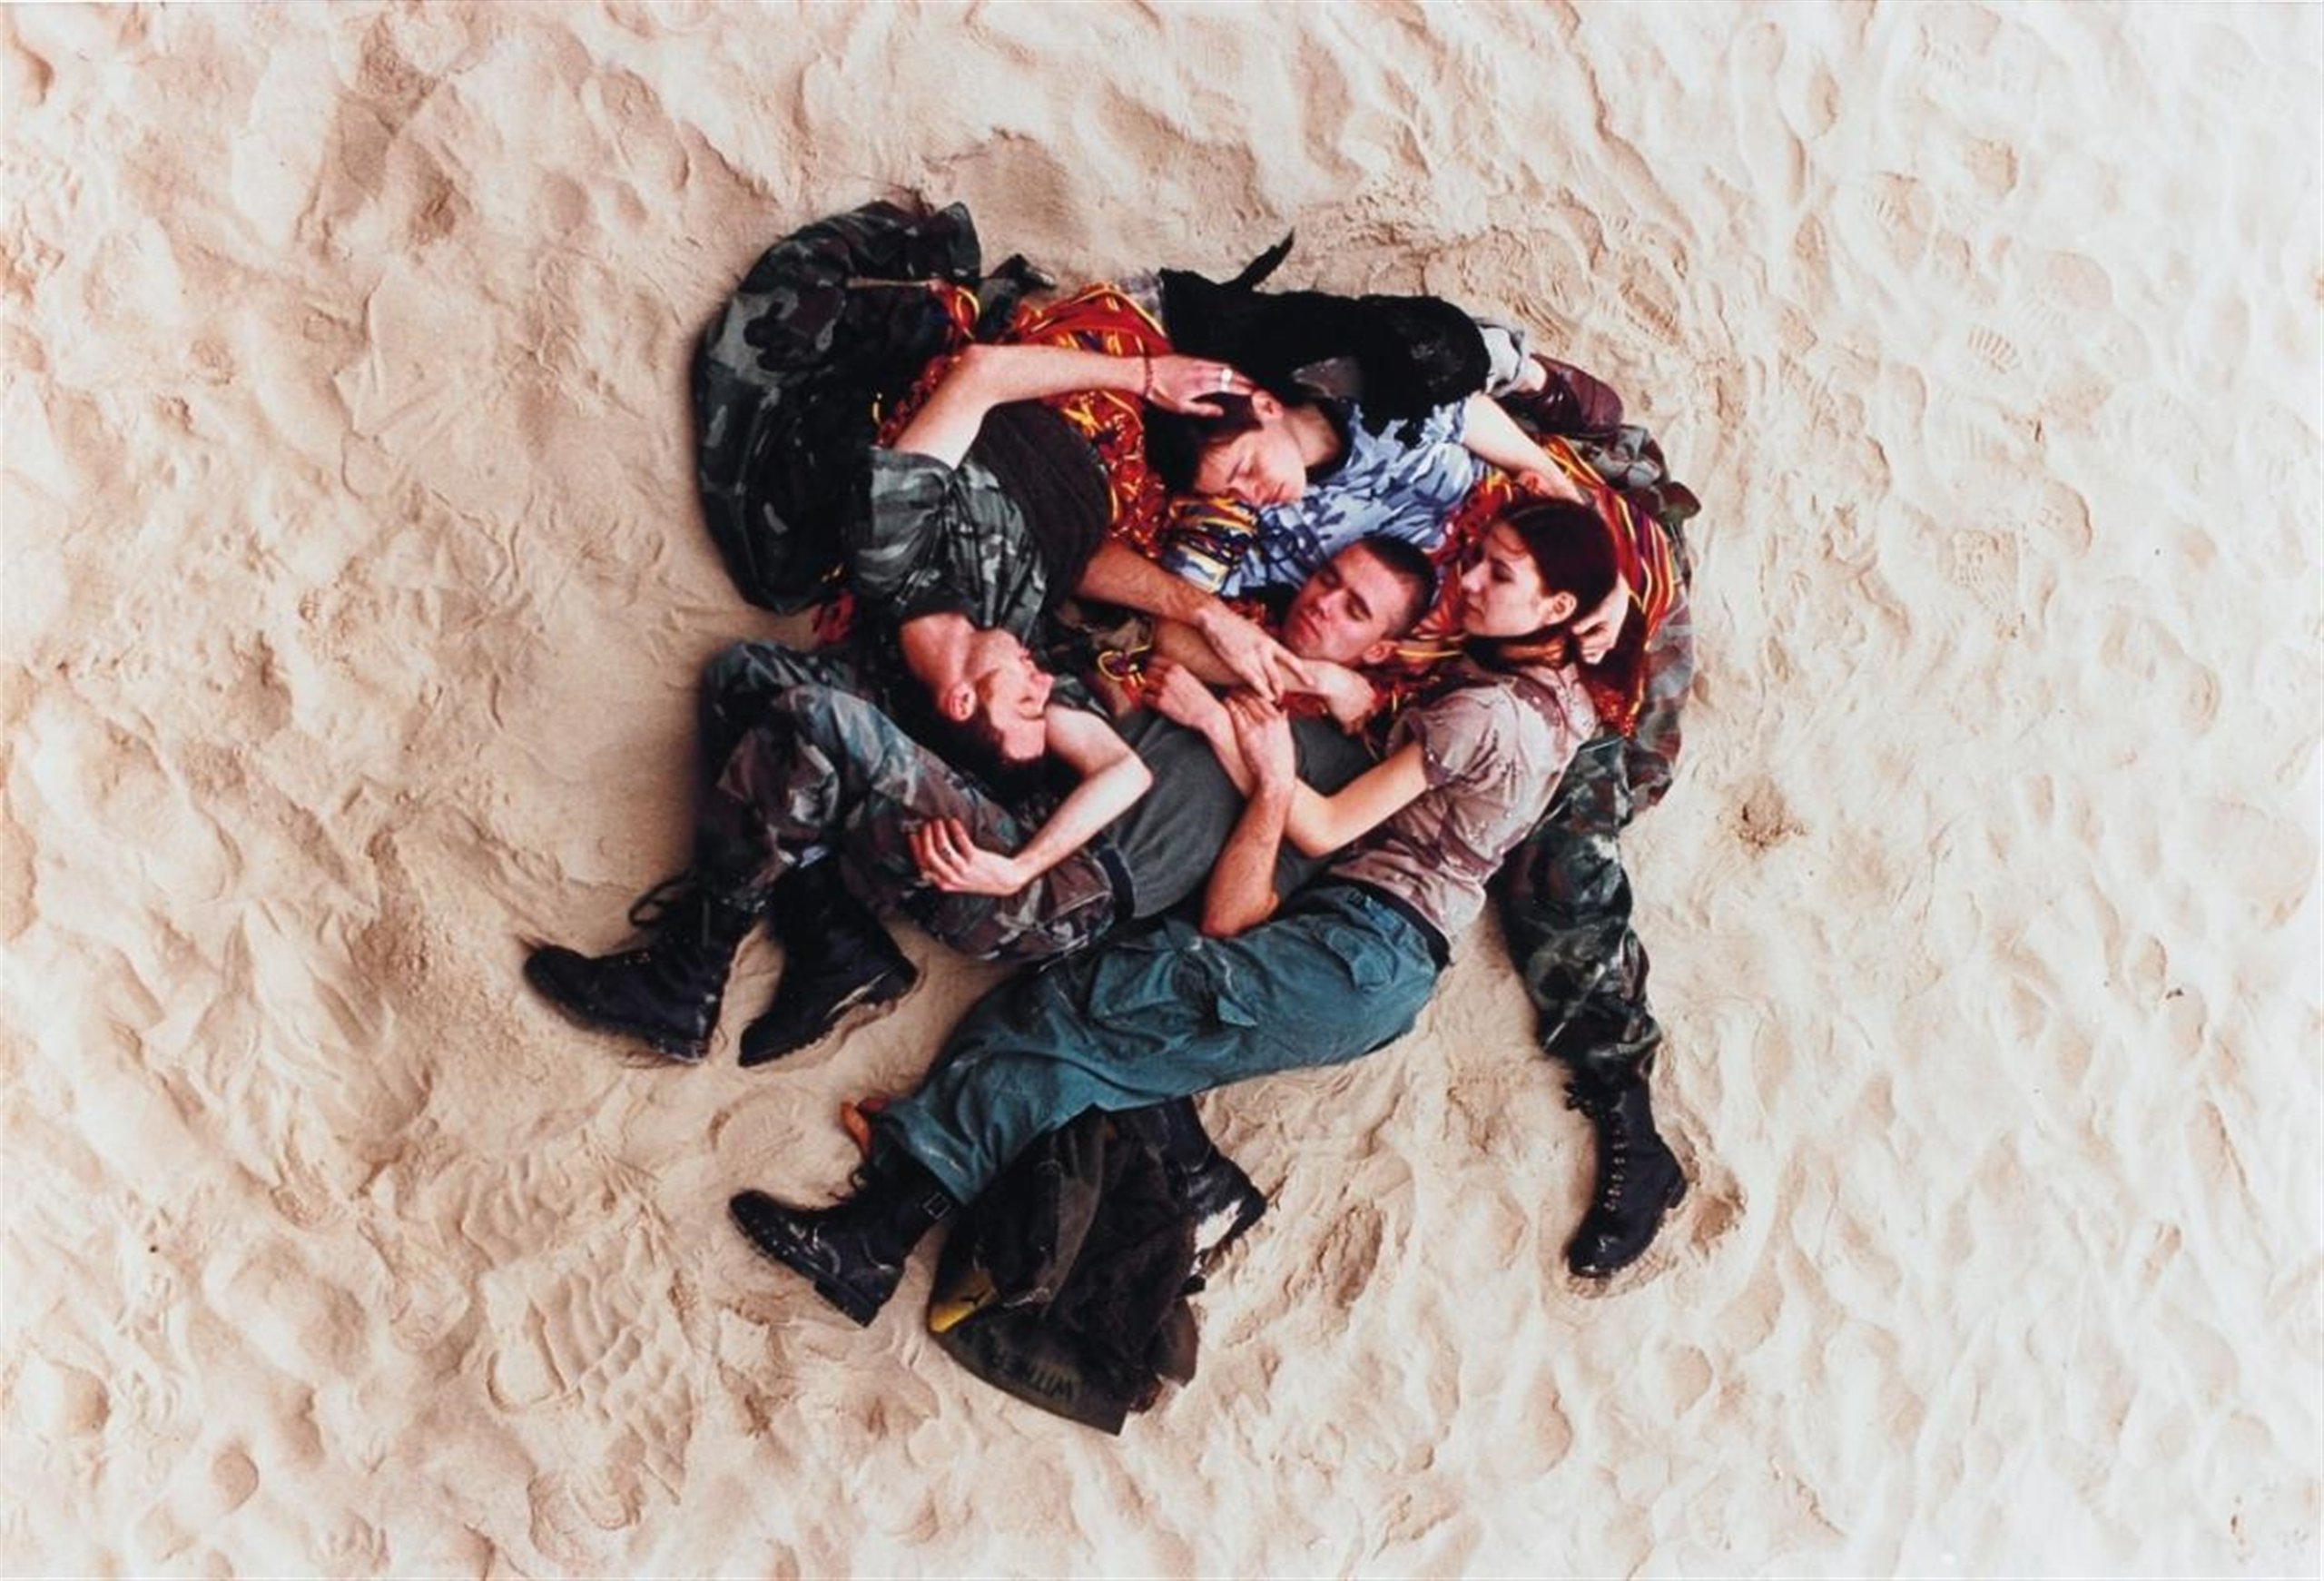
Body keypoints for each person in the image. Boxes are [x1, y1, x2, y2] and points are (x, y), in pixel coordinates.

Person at [726, 498, 1628, 1325]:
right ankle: (1125, 1184)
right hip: (1368, 953)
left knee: (1091, 1011)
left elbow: (1319, 825)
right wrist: (1607, 595)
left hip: (1364, 943)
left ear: (1553, 609)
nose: (1470, 579)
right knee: (1082, 1010)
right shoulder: (1556, 692)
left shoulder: (1484, 714)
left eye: (1499, 574)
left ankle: (874, 1238)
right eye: (1479, 556)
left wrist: (1243, 744)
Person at [523, 537, 1435, 1067]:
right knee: (746, 674)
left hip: (1063, 886)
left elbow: (1236, 914)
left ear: (1388, 650)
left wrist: (1264, 764)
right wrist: (1289, 672)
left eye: (1356, 610)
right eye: (1328, 578)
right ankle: (833, 938)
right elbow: (1146, 639)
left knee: (817, 722)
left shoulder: (1331, 762)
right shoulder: (1245, 649)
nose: (1322, 602)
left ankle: (687, 978)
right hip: (1028, 787)